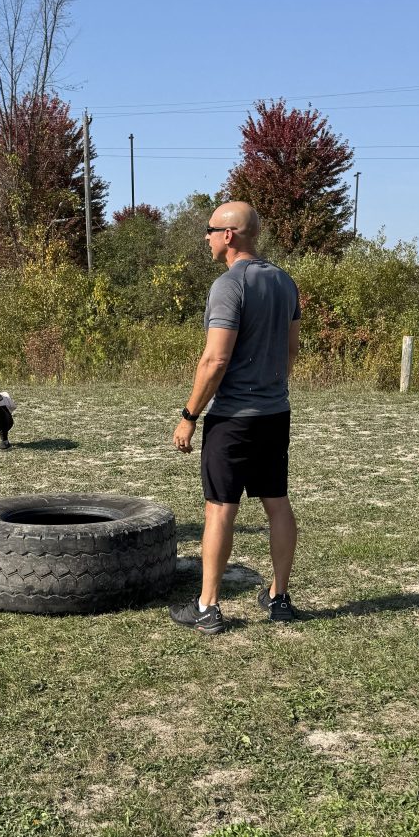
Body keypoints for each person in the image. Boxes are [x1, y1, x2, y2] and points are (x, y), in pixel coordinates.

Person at [169, 200, 301, 634]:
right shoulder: (284, 281)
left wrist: (190, 414)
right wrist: (269, 387)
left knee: (220, 509)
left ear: (228, 235)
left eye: (209, 230)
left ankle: (208, 607)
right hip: (275, 413)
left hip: (233, 418)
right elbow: (291, 352)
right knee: (276, 503)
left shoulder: (229, 284)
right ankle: (279, 597)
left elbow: (214, 359)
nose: (205, 237)